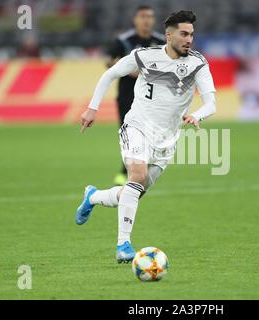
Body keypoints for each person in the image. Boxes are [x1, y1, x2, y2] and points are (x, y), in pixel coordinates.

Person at [76, 10, 217, 263]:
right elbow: (110, 74)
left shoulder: (198, 64)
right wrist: (92, 108)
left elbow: (211, 103)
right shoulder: (144, 56)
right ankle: (123, 246)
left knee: (133, 190)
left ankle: (93, 196)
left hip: (167, 140)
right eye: (184, 34)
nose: (189, 39)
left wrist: (198, 115)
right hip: (137, 127)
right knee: (137, 177)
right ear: (169, 34)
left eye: (192, 35)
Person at [107, 5, 166, 186]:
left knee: (150, 134)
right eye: (142, 16)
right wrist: (128, 66)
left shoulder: (161, 41)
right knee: (129, 134)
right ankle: (127, 171)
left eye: (149, 16)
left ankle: (137, 169)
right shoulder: (124, 41)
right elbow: (110, 62)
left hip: (151, 98)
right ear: (135, 20)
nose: (146, 20)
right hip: (127, 96)